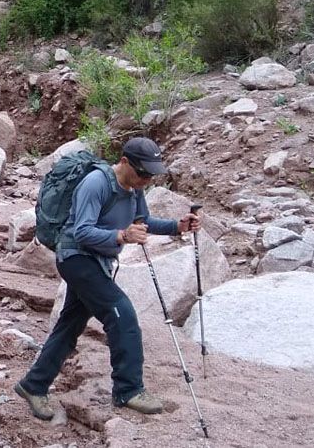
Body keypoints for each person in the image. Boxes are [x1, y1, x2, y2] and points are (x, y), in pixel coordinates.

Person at [13, 137, 203, 419]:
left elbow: (143, 222)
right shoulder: (96, 184)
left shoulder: (134, 187)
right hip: (76, 258)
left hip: (98, 261)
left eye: (151, 175)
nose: (146, 179)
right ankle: (128, 390)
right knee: (121, 314)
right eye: (142, 173)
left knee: (69, 325)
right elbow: (81, 231)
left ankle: (33, 385)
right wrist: (122, 236)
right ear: (125, 162)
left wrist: (177, 226)